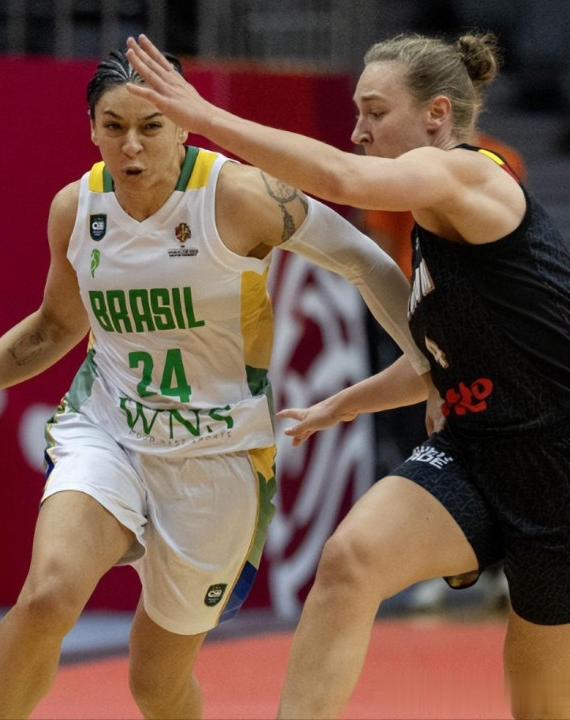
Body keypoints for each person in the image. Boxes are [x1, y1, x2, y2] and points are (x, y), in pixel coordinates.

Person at [0, 48, 429, 719]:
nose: (132, 145)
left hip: (218, 457)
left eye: (151, 126)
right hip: (109, 430)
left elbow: (364, 261)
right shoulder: (77, 208)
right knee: (48, 595)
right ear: (92, 129)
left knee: (155, 683)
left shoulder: (241, 196)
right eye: (115, 126)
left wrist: (432, 366)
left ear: (183, 124)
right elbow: (53, 328)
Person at [126, 31, 570, 720]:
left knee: (540, 701)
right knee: (350, 560)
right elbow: (444, 360)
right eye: (358, 113)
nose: (359, 132)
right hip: (477, 447)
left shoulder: (470, 176)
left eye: (375, 112)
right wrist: (345, 403)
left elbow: (338, 179)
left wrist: (203, 116)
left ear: (437, 115)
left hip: (555, 462)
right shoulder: (428, 218)